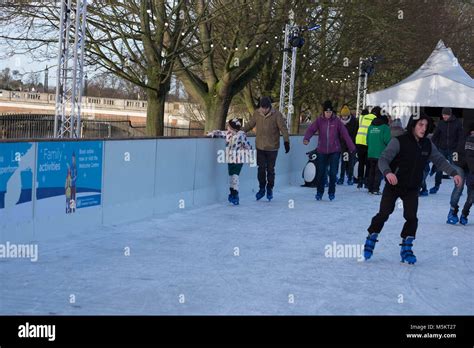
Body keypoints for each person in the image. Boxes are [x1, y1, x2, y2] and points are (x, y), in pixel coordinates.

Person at [363, 114, 462, 264]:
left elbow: (439, 160)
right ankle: (371, 237)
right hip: (394, 185)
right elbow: (383, 159)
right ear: (413, 125)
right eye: (420, 125)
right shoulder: (399, 141)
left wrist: (453, 173)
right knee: (384, 213)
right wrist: (388, 172)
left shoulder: (427, 144)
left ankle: (406, 248)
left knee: (411, 217)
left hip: (412, 187)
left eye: (426, 126)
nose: (423, 128)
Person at [303, 100, 356, 201]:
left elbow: (345, 134)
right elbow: (311, 129)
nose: (328, 114)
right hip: (322, 150)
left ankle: (331, 192)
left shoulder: (336, 121)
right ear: (323, 112)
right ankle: (319, 192)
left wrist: (352, 147)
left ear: (332, 112)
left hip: (334, 151)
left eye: (330, 112)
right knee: (321, 173)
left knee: (332, 173)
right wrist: (306, 138)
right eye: (327, 112)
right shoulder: (319, 120)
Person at [242, 96, 290, 201]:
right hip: (260, 147)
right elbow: (250, 125)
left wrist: (286, 141)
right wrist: (239, 132)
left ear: (269, 107)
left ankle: (269, 188)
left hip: (272, 148)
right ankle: (262, 188)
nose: (264, 110)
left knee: (270, 169)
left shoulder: (276, 114)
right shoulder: (257, 113)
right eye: (262, 108)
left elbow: (283, 128)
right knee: (261, 169)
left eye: (266, 108)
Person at [208, 118, 253, 205]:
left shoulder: (241, 135)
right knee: (232, 176)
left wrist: (250, 155)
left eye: (229, 127)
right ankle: (232, 192)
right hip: (230, 159)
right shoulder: (228, 134)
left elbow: (248, 145)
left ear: (234, 128)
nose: (227, 128)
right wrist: (212, 133)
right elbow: (220, 132)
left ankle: (235, 194)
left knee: (235, 176)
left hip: (239, 159)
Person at [429, 107, 463, 194]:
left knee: (456, 168)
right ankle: (436, 186)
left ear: (450, 114)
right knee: (439, 168)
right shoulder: (441, 123)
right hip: (442, 149)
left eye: (446, 115)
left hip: (453, 150)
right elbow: (435, 136)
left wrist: (458, 149)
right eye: (443, 115)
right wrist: (430, 145)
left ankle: (459, 187)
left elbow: (460, 137)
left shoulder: (457, 123)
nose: (444, 116)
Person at [366, 114, 391, 195]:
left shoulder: (370, 127)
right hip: (380, 153)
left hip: (371, 152)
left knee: (371, 171)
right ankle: (376, 189)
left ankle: (370, 188)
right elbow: (387, 140)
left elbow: (367, 140)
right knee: (378, 172)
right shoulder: (385, 128)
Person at [355, 107, 378, 188]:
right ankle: (366, 180)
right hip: (368, 142)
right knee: (368, 163)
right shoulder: (375, 119)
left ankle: (360, 180)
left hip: (359, 141)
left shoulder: (363, 117)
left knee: (361, 162)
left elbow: (359, 120)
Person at [337, 105, 358, 185]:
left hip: (351, 145)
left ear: (348, 115)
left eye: (345, 116)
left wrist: (353, 143)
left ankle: (350, 178)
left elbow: (355, 133)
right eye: (343, 116)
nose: (344, 117)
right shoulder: (339, 122)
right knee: (343, 161)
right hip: (343, 145)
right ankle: (342, 178)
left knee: (351, 162)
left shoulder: (354, 122)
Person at [458, 123, 474, 225]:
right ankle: (464, 214)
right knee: (471, 198)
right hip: (472, 174)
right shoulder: (470, 140)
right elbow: (469, 158)